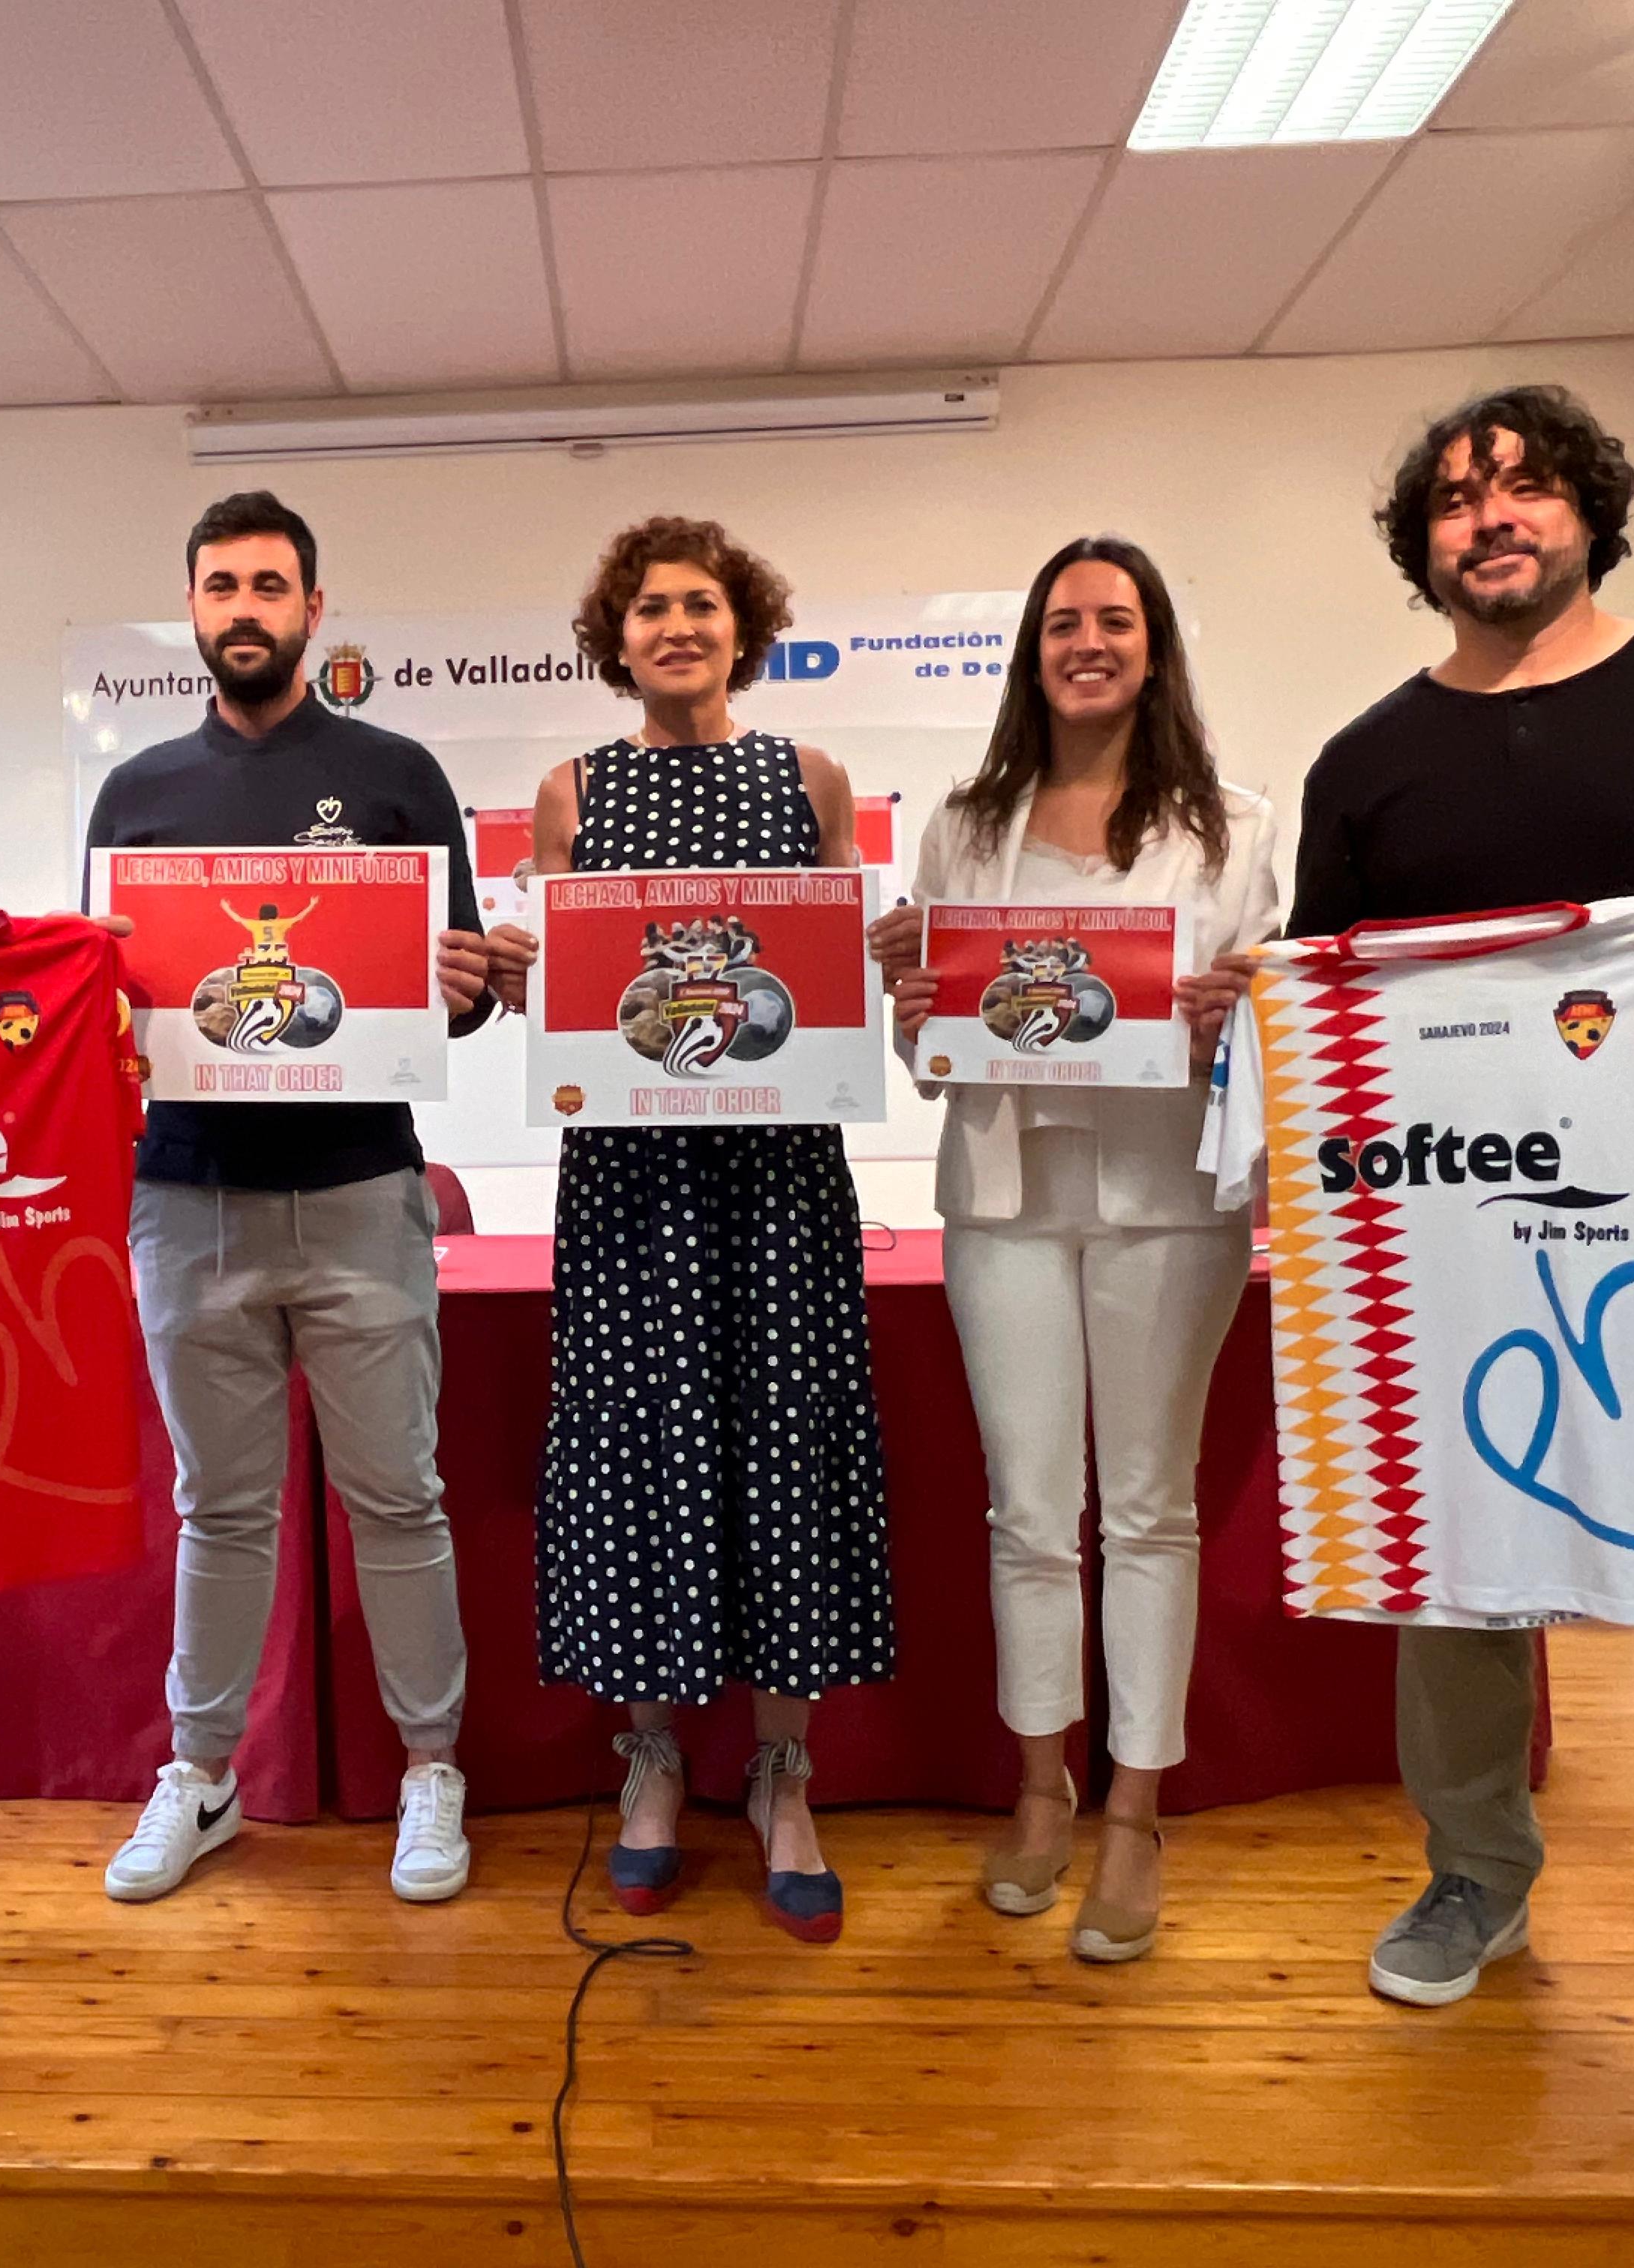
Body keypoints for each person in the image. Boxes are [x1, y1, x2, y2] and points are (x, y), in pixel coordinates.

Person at [1193, 384, 1634, 2080]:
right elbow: (1326, 997)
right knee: (1452, 1568)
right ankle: (1473, 1874)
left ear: (1588, 511)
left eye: (1523, 487)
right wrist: (1251, 1012)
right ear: (1422, 546)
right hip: (1450, 1240)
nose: (1491, 517)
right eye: (1456, 500)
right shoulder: (1368, 762)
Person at [867, 536, 1278, 1959]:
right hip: (1006, 1197)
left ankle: (1135, 1810)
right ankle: (1040, 1788)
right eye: (1062, 622)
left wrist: (1236, 1020)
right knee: (1030, 1513)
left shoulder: (1235, 827)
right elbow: (933, 1049)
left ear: (1154, 647)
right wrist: (912, 1006)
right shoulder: (963, 824)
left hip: (1168, 1193)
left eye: (1115, 620)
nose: (1087, 642)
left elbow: (1272, 1036)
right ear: (1031, 651)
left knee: (1151, 1509)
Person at [85, 490, 495, 1906]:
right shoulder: (137, 794)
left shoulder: (395, 774)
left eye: (270, 586)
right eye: (222, 585)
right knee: (219, 1509)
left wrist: (465, 986)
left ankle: (431, 1768)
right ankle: (200, 1774)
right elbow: (114, 1006)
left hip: (362, 1191)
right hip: (187, 1198)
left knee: (400, 1500)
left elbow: (460, 1001)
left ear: (314, 610)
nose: (245, 608)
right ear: (193, 609)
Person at [485, 517, 890, 1944]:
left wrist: (885, 958)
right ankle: (651, 1762)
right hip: (630, 1183)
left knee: (784, 1444)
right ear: (619, 638)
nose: (677, 626)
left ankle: (783, 1772)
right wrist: (528, 979)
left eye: (702, 604)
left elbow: (836, 976)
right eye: (650, 607)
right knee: (640, 1447)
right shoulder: (570, 791)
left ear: (742, 627)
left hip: (780, 1182)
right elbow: (568, 1004)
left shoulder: (812, 776)